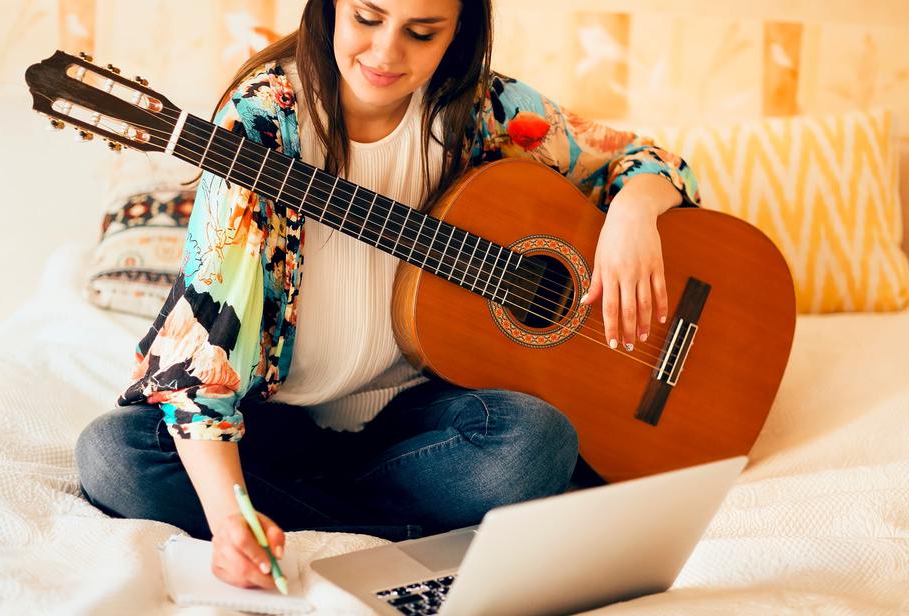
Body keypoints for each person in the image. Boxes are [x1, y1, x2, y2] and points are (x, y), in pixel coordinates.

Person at [75, 0, 700, 592]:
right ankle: (409, 531)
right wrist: (228, 514)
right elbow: (205, 340)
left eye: (422, 32)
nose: (385, 51)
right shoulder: (266, 120)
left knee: (535, 442)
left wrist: (634, 213)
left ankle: (316, 523)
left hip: (419, 422)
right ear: (329, 7)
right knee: (115, 457)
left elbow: (645, 159)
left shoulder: (482, 108)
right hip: (272, 424)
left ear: (459, 31)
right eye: (367, 17)